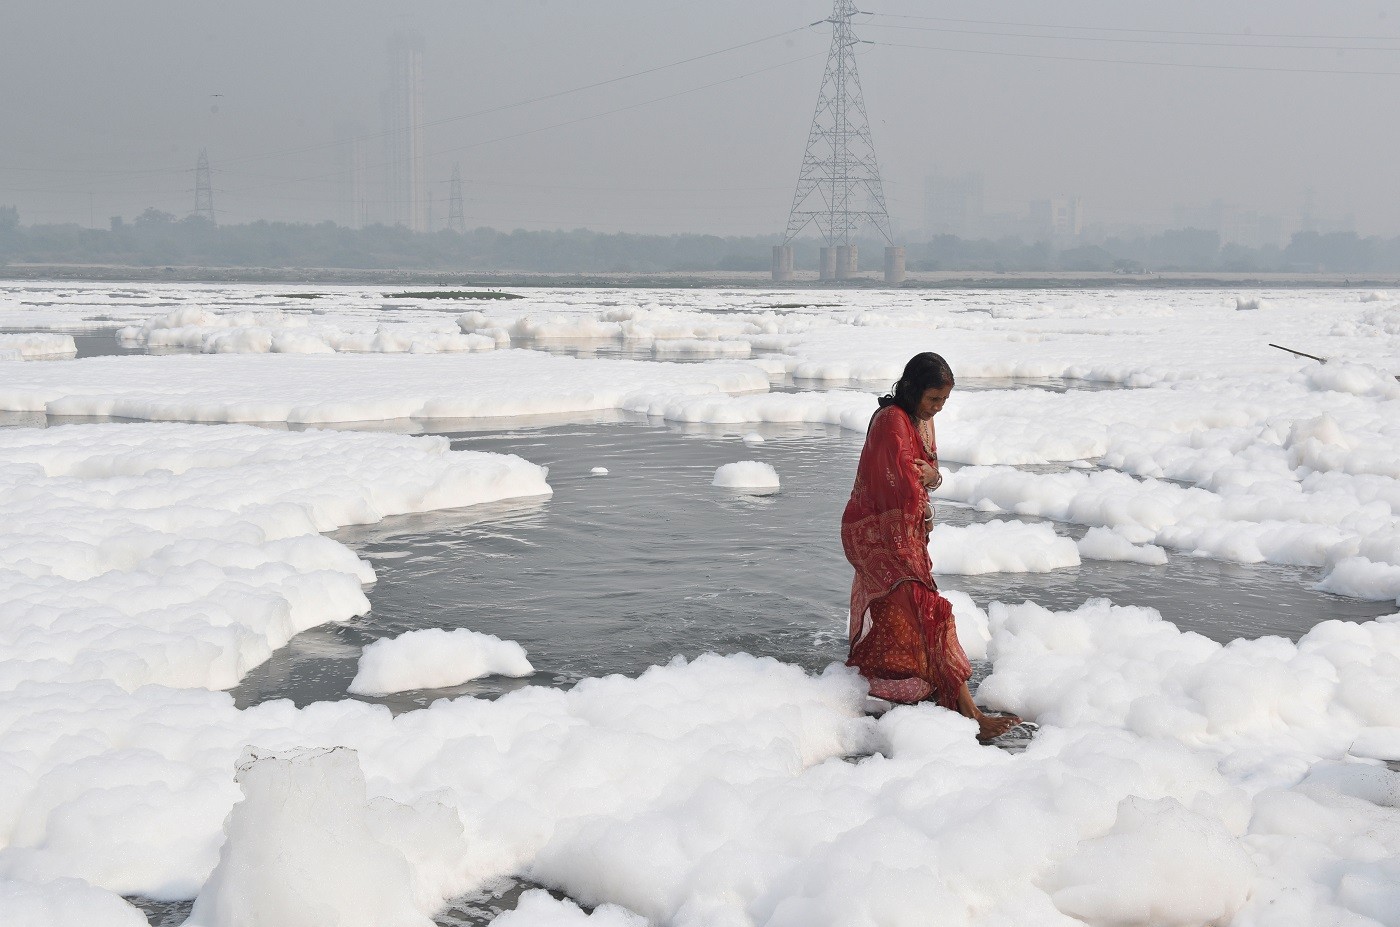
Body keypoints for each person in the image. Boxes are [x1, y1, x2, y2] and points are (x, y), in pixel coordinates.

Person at [840, 352, 1020, 741]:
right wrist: (924, 485)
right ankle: (971, 715)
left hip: (902, 532)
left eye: (943, 401)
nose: (937, 408)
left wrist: (934, 478)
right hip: (875, 533)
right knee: (930, 611)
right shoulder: (891, 420)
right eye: (933, 399)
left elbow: (927, 474)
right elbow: (903, 480)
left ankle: (903, 689)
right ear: (912, 388)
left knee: (902, 616)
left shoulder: (920, 421)